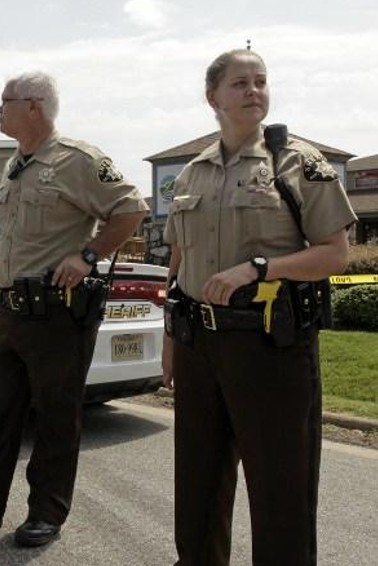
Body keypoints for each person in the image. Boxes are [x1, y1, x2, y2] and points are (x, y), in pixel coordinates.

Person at [0, 71, 148, 547]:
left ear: (33, 105)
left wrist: (87, 255)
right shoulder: (16, 164)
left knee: (54, 416)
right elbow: (18, 231)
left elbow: (131, 209)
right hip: (10, 309)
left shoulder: (77, 159)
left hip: (57, 313)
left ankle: (46, 512)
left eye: (4, 101)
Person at [161, 49, 356, 565]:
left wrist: (260, 268)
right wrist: (170, 341)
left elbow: (335, 254)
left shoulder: (296, 162)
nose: (254, 91)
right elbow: (179, 263)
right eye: (240, 83)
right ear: (213, 97)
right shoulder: (191, 174)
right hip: (199, 344)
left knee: (280, 485)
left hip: (270, 343)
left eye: (261, 81)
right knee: (198, 480)